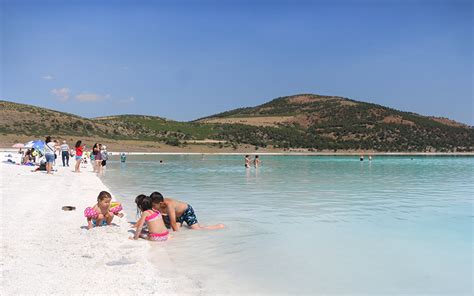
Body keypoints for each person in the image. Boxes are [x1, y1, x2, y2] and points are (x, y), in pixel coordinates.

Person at [150, 192, 224, 231]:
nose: (153, 207)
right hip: (178, 215)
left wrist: (176, 239)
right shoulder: (159, 205)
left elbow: (173, 223)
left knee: (197, 229)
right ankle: (194, 225)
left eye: (153, 205)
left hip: (187, 211)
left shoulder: (169, 205)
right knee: (179, 229)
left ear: (160, 203)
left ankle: (218, 226)